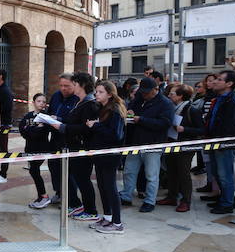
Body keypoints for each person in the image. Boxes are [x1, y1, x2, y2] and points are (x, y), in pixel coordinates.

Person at [46, 72, 100, 221]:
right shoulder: (80, 102)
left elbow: (85, 128)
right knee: (76, 177)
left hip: (82, 147)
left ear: (81, 85)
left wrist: (63, 127)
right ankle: (79, 205)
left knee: (83, 180)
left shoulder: (89, 104)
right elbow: (74, 121)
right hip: (72, 145)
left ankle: (91, 210)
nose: (71, 87)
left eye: (74, 84)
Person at [118, 76, 173, 212]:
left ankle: (149, 201)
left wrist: (141, 119)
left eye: (147, 92)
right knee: (129, 171)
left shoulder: (165, 103)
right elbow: (130, 108)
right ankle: (126, 195)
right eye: (142, 92)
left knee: (151, 174)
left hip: (153, 144)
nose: (144, 95)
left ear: (156, 89)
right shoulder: (139, 98)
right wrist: (129, 112)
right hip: (135, 142)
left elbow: (165, 123)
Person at [86, 80, 127, 233]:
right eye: (96, 91)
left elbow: (115, 135)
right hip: (100, 154)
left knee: (110, 187)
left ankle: (117, 224)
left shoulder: (115, 110)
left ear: (110, 94)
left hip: (110, 155)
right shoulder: (102, 108)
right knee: (102, 187)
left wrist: (95, 125)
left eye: (101, 92)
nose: (97, 94)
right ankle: (107, 217)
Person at [205, 70, 235, 214]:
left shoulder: (234, 102)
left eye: (219, 79)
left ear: (229, 84)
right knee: (218, 173)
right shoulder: (220, 98)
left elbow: (231, 127)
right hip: (215, 142)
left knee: (225, 174)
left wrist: (220, 140)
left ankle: (227, 203)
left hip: (225, 144)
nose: (215, 81)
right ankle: (224, 198)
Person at [158, 84, 204, 212]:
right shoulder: (171, 108)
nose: (169, 95)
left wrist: (185, 129)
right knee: (171, 170)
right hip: (172, 143)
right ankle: (172, 196)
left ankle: (186, 200)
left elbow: (201, 129)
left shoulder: (192, 110)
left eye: (172, 94)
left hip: (186, 145)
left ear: (180, 96)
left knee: (184, 173)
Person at [46, 74, 80, 204]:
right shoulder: (56, 96)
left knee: (68, 171)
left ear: (74, 85)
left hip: (70, 140)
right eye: (61, 85)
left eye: (67, 86)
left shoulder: (77, 99)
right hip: (55, 138)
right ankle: (59, 192)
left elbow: (75, 120)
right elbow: (50, 112)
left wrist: (60, 120)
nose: (63, 88)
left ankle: (70, 198)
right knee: (54, 167)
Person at [21, 93, 52, 209]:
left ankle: (44, 196)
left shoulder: (46, 117)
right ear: (33, 102)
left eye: (44, 102)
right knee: (33, 171)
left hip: (42, 148)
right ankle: (41, 196)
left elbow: (42, 132)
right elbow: (22, 130)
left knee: (34, 170)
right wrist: (34, 129)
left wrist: (31, 130)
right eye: (39, 101)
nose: (42, 103)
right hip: (29, 148)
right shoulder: (28, 116)